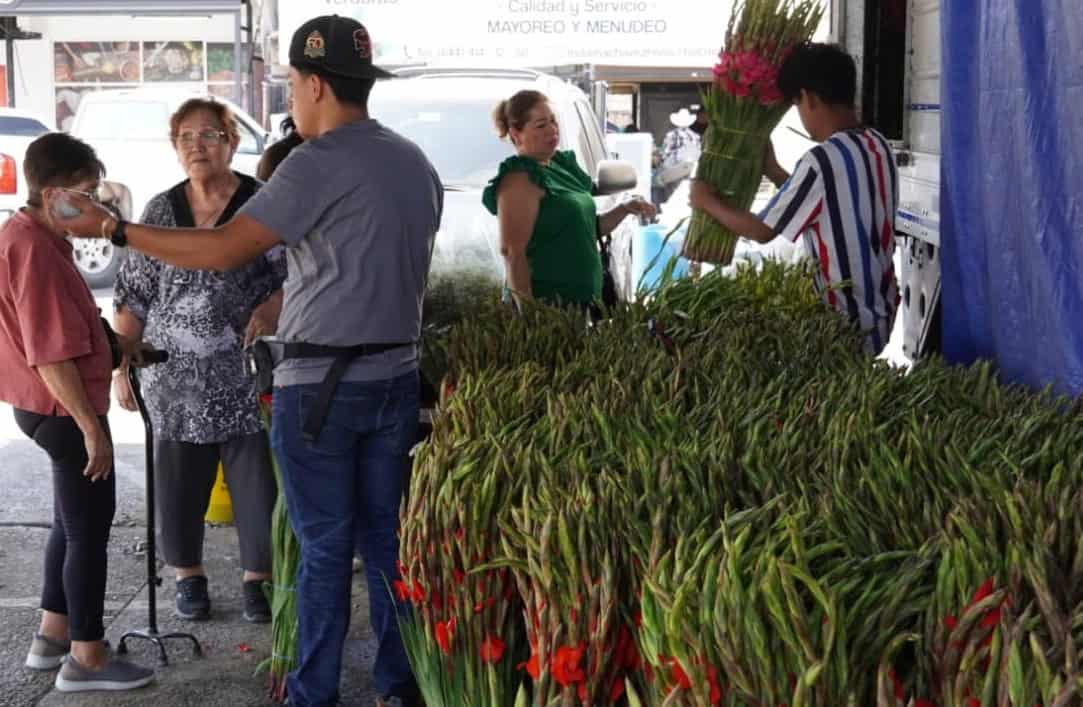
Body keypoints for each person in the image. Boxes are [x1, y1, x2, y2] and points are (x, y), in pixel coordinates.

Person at [55, 15, 442, 707]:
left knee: (323, 547)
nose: (292, 96)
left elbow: (224, 249)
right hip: (395, 379)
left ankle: (312, 693)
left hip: (323, 386)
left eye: (293, 82)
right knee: (385, 543)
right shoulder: (411, 160)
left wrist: (114, 228)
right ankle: (397, 686)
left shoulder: (317, 162)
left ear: (316, 83)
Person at [111, 98, 284, 623]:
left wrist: (275, 304)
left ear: (232, 143)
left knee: (256, 480)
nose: (197, 146)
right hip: (173, 377)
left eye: (209, 135)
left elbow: (292, 271)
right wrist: (122, 363)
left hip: (244, 369)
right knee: (179, 481)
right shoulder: (160, 211)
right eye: (186, 137)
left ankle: (259, 579)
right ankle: (188, 575)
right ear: (175, 147)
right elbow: (135, 290)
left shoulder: (262, 202)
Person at [0, 132, 154, 692]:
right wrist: (93, 429)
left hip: (43, 403)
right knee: (89, 529)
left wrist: (114, 343)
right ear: (56, 192)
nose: (95, 206)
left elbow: (62, 327)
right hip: (62, 408)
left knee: (71, 522)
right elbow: (48, 350)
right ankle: (87, 658)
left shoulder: (34, 234)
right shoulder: (34, 248)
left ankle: (53, 634)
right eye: (87, 193)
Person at [689, 42, 899, 355]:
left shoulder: (822, 160)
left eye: (797, 105)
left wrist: (706, 201)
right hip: (880, 313)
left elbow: (762, 231)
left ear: (809, 98)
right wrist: (773, 171)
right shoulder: (877, 144)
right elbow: (827, 202)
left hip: (843, 323)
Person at [482, 89, 655, 309]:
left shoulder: (561, 167)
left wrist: (625, 209)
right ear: (516, 133)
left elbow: (585, 229)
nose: (552, 130)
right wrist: (529, 316)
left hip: (581, 306)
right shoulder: (519, 179)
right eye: (541, 125)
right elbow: (512, 253)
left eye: (553, 121)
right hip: (548, 310)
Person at [654, 106, 702, 203]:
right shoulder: (696, 136)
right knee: (685, 196)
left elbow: (665, 153)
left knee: (672, 197)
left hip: (674, 170)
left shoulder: (671, 135)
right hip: (690, 170)